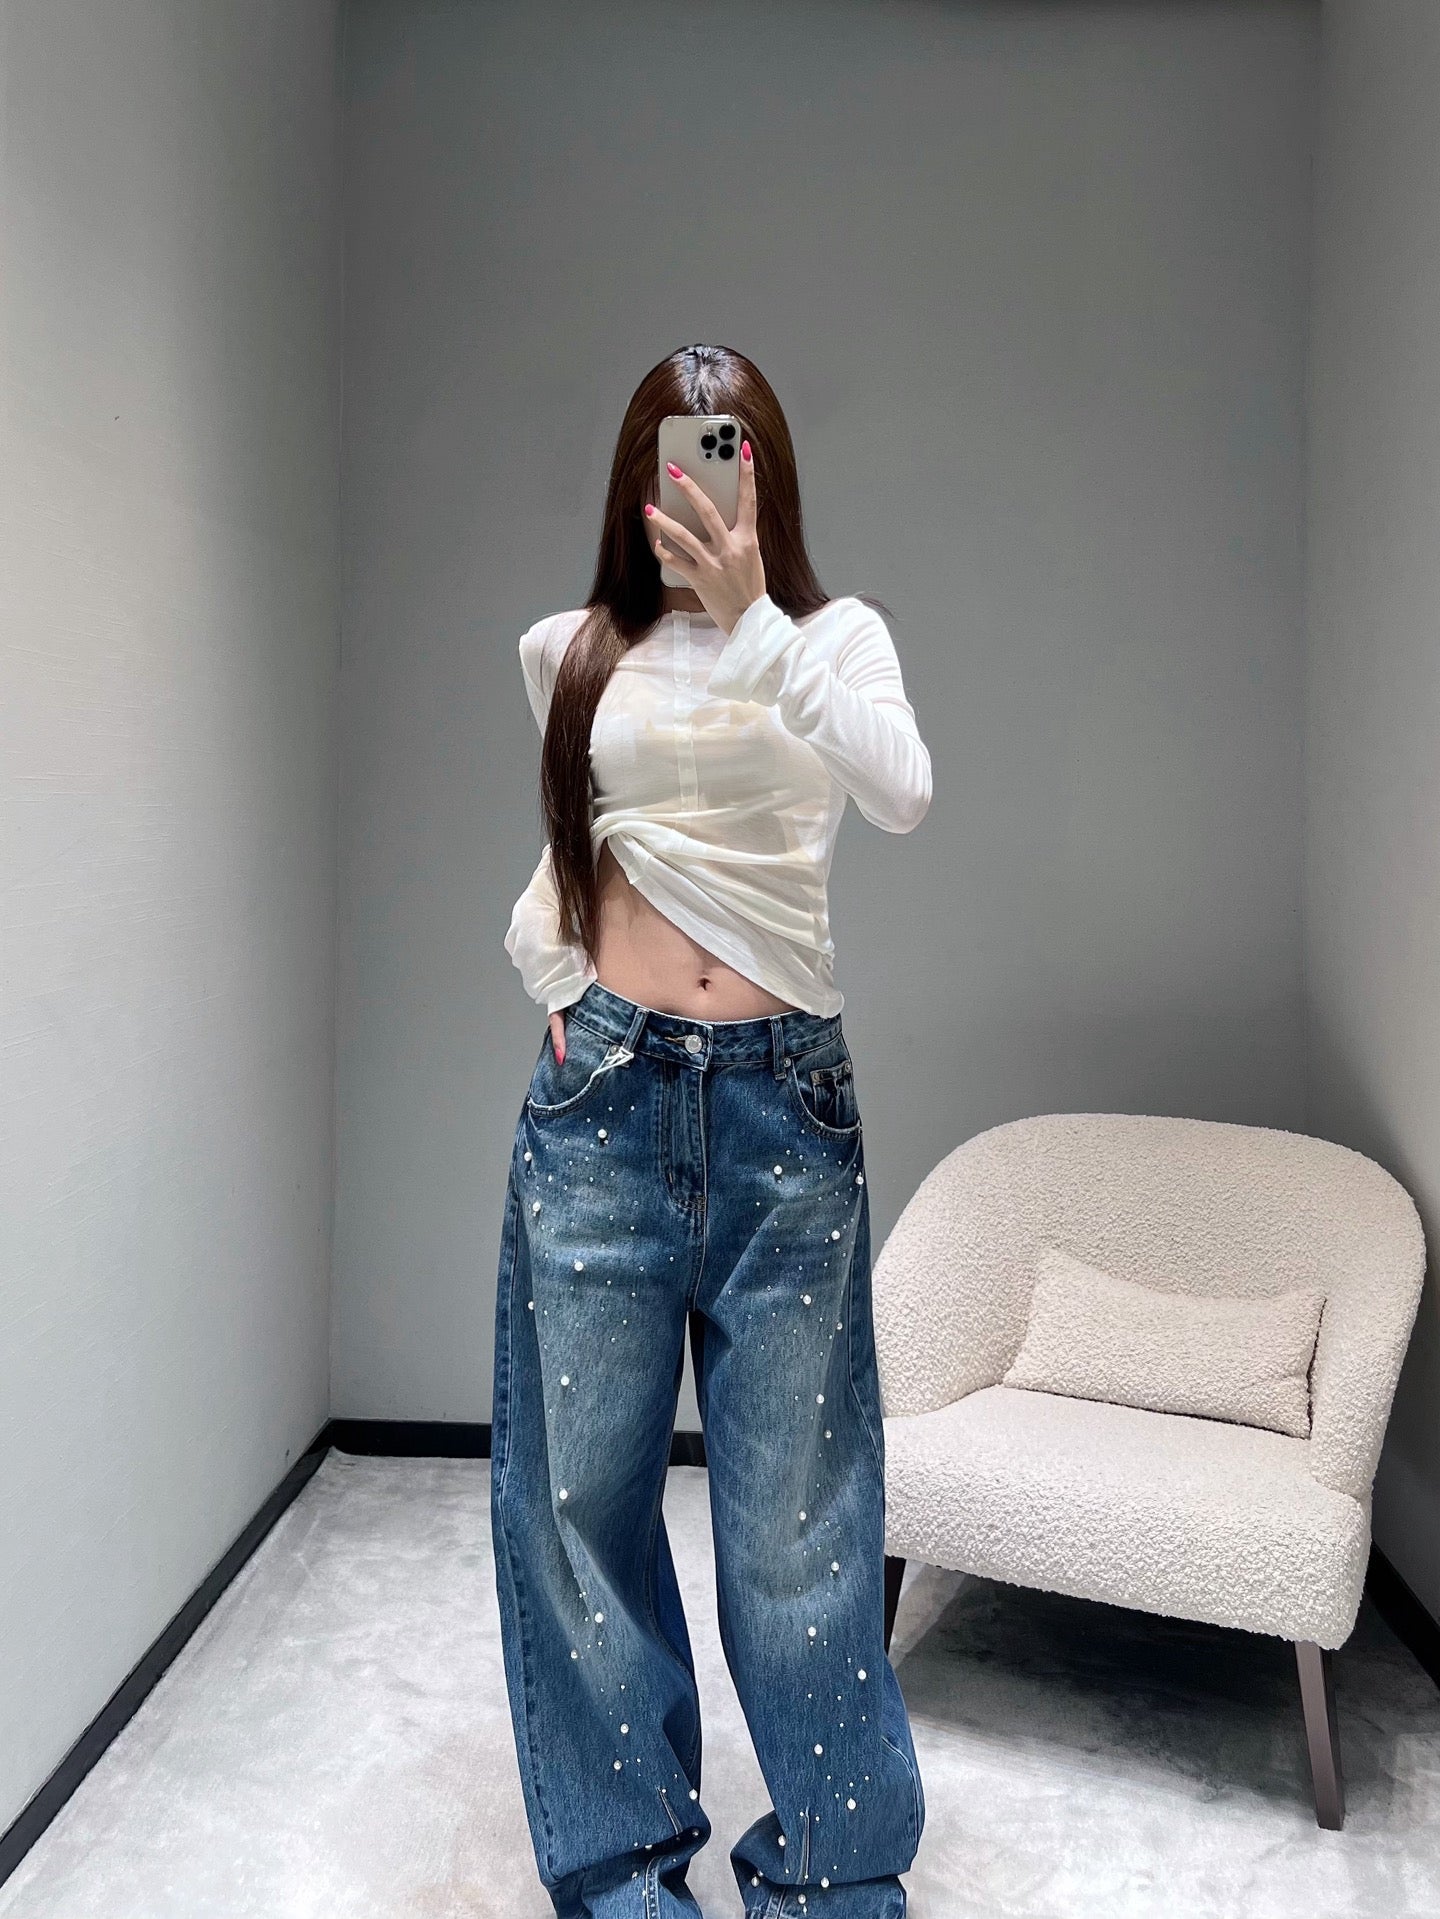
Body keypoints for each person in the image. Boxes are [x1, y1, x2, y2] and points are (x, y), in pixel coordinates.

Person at [492, 343, 932, 1919]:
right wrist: (556, 974)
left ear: (764, 479)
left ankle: (832, 1881)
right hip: (606, 1106)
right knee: (579, 1510)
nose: (694, 488)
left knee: (802, 1526)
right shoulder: (569, 650)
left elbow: (901, 792)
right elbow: (576, 853)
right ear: (636, 482)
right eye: (671, 461)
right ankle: (623, 1877)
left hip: (782, 1109)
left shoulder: (833, 639)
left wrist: (755, 622)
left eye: (723, 456)